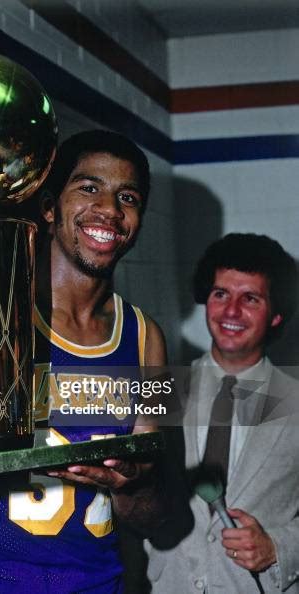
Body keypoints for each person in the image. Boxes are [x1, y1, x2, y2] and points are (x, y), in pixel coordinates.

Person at [0, 130, 184, 593]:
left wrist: (130, 482)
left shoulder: (146, 339)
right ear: (50, 207)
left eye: (127, 197)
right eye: (89, 188)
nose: (110, 209)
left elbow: (155, 515)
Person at [146, 233, 299, 594]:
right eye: (220, 294)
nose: (231, 312)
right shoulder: (161, 388)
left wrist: (279, 546)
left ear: (276, 314)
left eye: (250, 299)